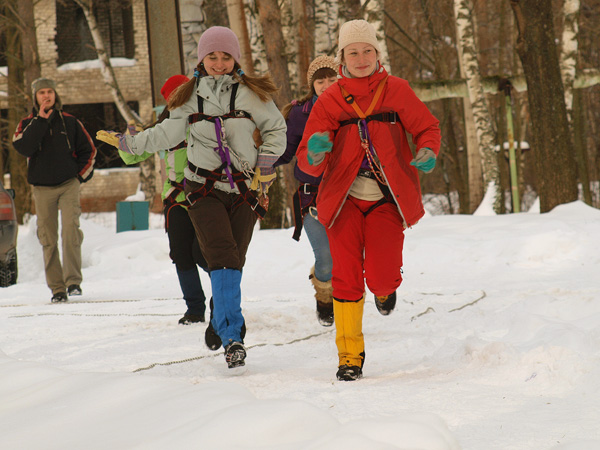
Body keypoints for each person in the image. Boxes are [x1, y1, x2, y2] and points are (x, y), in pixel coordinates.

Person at [97, 26, 286, 369]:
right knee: (221, 256)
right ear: (201, 59)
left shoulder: (253, 94)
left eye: (225, 56)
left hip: (245, 190)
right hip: (202, 190)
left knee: (233, 261)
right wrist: (130, 144)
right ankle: (233, 337)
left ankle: (220, 319)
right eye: (211, 56)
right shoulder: (188, 96)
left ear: (235, 59)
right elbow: (164, 134)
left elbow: (276, 130)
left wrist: (266, 164)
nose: (218, 62)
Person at [296, 20, 441, 381]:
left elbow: (427, 127)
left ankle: (385, 288)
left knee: (381, 276)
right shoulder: (330, 99)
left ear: (377, 53)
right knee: (345, 279)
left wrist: (427, 149)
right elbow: (305, 156)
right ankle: (349, 356)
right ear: (343, 56)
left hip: (386, 199)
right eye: (353, 52)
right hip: (342, 201)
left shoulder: (397, 90)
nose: (361, 58)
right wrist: (314, 152)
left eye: (367, 51)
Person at [118, 75, 209, 325]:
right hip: (176, 199)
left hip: (206, 196)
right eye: (174, 97)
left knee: (204, 253)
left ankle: (223, 298)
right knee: (181, 254)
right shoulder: (162, 128)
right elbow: (131, 157)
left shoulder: (205, 119)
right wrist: (128, 138)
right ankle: (194, 309)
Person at [13, 77, 96, 303]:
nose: (46, 96)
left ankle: (73, 282)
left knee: (70, 231)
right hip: (41, 188)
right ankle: (57, 288)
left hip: (68, 184)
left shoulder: (70, 122)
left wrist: (79, 177)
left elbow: (89, 150)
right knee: (47, 238)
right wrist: (40, 121)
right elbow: (22, 146)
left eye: (50, 92)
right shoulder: (26, 124)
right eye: (42, 93)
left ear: (55, 95)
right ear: (35, 98)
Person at [275, 55, 338, 327]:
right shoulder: (300, 114)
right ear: (311, 85)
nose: (326, 85)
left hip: (347, 194)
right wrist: (257, 160)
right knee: (325, 259)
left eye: (331, 79)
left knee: (349, 257)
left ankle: (349, 305)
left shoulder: (350, 109)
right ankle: (324, 297)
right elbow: (285, 152)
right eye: (320, 80)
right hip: (311, 197)